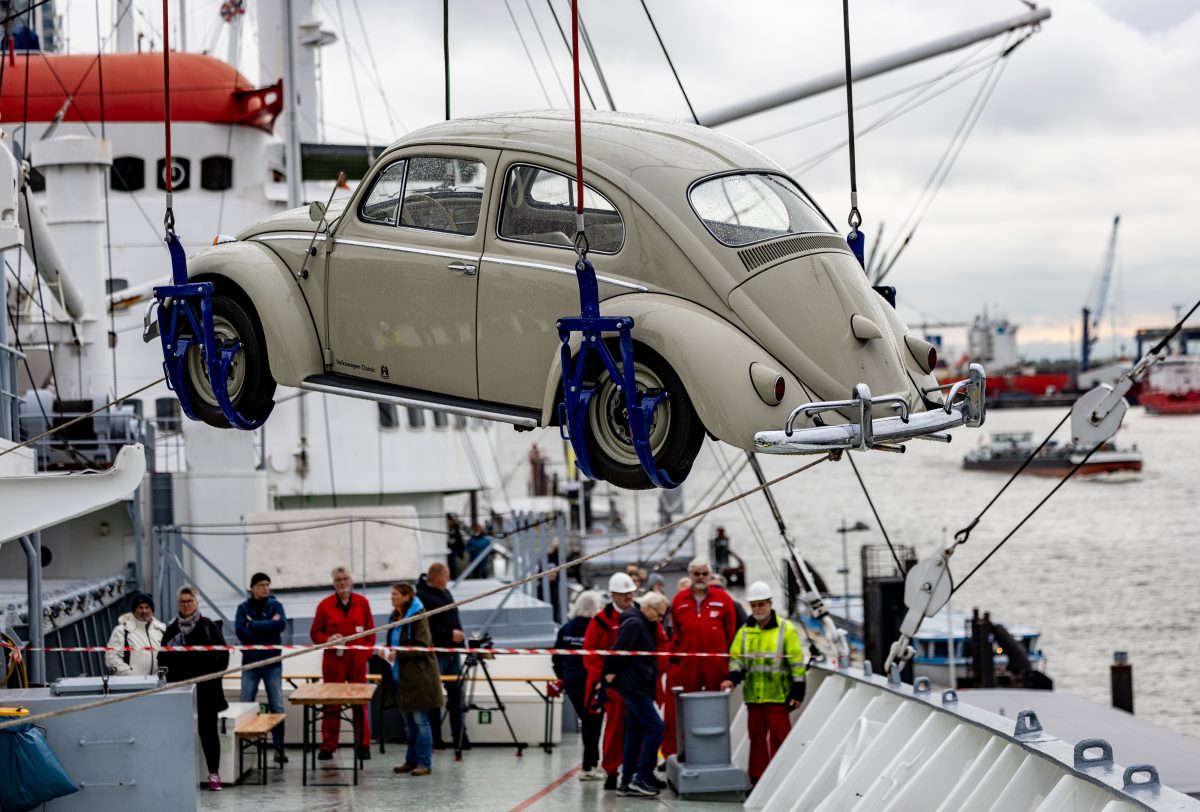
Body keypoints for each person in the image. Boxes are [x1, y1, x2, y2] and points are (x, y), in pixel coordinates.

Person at [720, 581, 806, 785]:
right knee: (757, 741)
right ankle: (758, 782)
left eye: (761, 604)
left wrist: (798, 691)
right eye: (754, 605)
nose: (758, 609)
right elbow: (737, 659)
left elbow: (796, 662)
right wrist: (732, 678)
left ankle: (781, 781)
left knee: (780, 740)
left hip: (778, 696)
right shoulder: (745, 631)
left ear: (770, 604)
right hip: (754, 697)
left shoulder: (786, 629)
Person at [662, 558, 737, 760]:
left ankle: (715, 753)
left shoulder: (723, 599)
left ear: (710, 576)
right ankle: (677, 754)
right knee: (680, 710)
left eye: (704, 574)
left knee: (715, 710)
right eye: (697, 574)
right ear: (690, 575)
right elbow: (674, 632)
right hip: (687, 665)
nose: (701, 578)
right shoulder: (679, 600)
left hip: (715, 665)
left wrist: (726, 660)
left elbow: (730, 632)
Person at [158, 586, 229, 792]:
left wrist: (214, 676)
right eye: (182, 602)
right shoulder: (171, 630)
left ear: (196, 603)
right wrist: (174, 680)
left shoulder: (209, 626)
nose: (186, 605)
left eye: (189, 601)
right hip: (181, 690)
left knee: (209, 732)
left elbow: (223, 655)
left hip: (208, 689)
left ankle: (214, 773)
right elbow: (162, 659)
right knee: (179, 732)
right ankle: (180, 773)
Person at [603, 592, 669, 798]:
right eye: (659, 615)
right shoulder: (635, 623)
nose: (660, 620)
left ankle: (626, 781)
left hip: (638, 684)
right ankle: (641, 776)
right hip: (634, 686)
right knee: (656, 727)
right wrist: (608, 675)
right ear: (648, 608)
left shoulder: (642, 622)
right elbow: (619, 650)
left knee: (634, 733)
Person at [310, 566, 375, 761]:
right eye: (338, 580)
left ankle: (363, 745)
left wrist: (366, 654)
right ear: (333, 583)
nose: (342, 583)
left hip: (357, 660)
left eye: (345, 579)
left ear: (351, 581)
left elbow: (371, 633)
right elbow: (315, 633)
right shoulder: (325, 605)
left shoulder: (362, 603)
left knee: (359, 703)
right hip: (333, 661)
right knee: (331, 703)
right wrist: (328, 639)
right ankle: (328, 746)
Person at [583, 572, 637, 790]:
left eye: (630, 593)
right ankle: (612, 771)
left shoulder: (639, 615)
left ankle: (636, 772)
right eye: (624, 594)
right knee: (614, 730)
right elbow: (590, 654)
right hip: (612, 687)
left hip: (635, 684)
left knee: (639, 729)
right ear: (613, 595)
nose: (629, 597)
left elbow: (657, 646)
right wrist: (602, 679)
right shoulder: (600, 621)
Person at [383, 583, 443, 777]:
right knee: (409, 723)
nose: (392, 597)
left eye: (395, 594)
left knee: (420, 721)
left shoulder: (418, 618)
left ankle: (424, 763)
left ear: (407, 596)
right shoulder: (395, 617)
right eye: (391, 594)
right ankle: (411, 761)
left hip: (419, 677)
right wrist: (386, 652)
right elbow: (393, 643)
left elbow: (422, 647)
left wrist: (397, 654)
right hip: (402, 677)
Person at [235, 572, 288, 764]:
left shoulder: (276, 606)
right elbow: (241, 632)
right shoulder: (243, 608)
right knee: (245, 704)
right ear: (253, 588)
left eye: (268, 584)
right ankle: (244, 747)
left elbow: (280, 625)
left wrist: (254, 624)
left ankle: (279, 748)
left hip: (272, 663)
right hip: (251, 663)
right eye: (261, 585)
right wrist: (267, 627)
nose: (265, 588)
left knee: (277, 705)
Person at [553, 590, 605, 780]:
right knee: (593, 723)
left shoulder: (566, 629)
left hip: (572, 682)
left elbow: (556, 658)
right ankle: (589, 765)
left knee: (586, 721)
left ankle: (591, 763)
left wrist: (563, 677)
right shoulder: (596, 628)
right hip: (591, 683)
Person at [416, 563, 465, 749]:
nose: (449, 579)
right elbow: (425, 628)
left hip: (453, 652)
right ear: (436, 578)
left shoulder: (445, 592)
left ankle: (460, 737)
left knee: (457, 696)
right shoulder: (422, 597)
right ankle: (435, 739)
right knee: (434, 698)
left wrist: (461, 643)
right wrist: (448, 635)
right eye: (446, 576)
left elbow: (453, 617)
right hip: (436, 653)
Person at [105, 592, 164, 677]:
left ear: (152, 610)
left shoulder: (161, 630)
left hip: (158, 683)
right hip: (132, 685)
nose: (144, 611)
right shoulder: (122, 631)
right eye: (140, 607)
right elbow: (112, 657)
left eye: (147, 607)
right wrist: (129, 675)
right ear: (134, 611)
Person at [446, 514, 466, 579]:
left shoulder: (455, 528)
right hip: (447, 548)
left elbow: (459, 540)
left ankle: (453, 577)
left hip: (454, 548)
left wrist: (461, 552)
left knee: (453, 564)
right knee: (449, 564)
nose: (449, 522)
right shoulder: (447, 527)